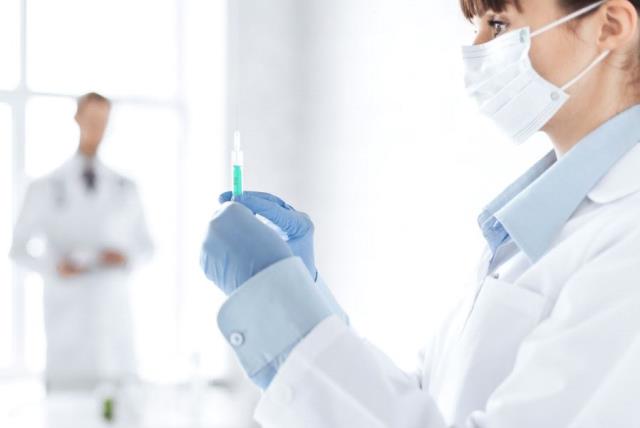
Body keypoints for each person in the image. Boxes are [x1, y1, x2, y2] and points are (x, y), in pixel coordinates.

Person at [201, 0, 640, 426]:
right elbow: (424, 406)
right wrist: (308, 305)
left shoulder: (627, 239)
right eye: (477, 27)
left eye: (499, 24)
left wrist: (282, 312)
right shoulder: (537, 231)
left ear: (610, 26)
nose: (477, 47)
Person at [10, 92, 153, 391]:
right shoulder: (44, 187)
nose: (97, 127)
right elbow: (17, 249)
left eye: (103, 121)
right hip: (66, 313)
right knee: (68, 408)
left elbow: (146, 247)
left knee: (116, 404)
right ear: (77, 119)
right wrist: (54, 267)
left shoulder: (126, 187)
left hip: (113, 312)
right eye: (91, 119)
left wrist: (125, 259)